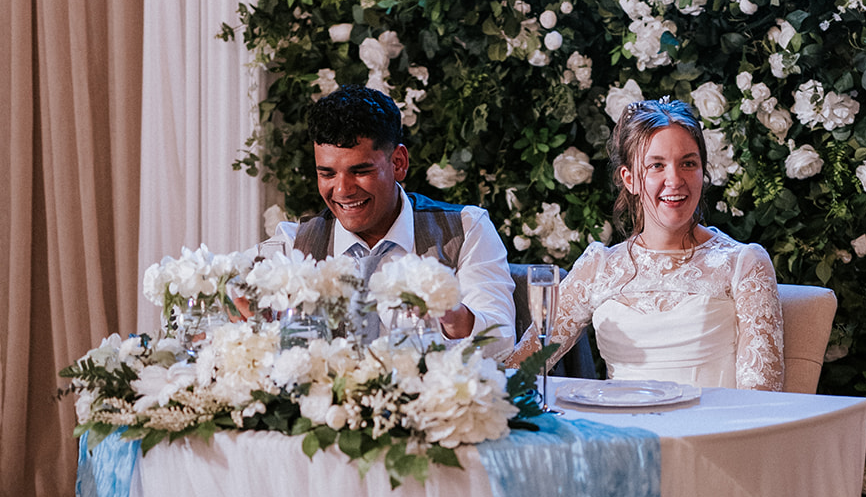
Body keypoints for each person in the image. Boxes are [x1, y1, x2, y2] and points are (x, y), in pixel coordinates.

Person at [513, 99, 784, 389]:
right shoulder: (599, 268)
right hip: (620, 419)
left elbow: (760, 398)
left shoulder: (743, 264)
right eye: (657, 165)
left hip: (714, 419)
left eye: (688, 163)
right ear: (629, 179)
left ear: (702, 172)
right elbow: (517, 371)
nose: (674, 179)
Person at [271, 85, 515, 352]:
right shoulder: (292, 244)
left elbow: (501, 342)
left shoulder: (467, 229)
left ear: (398, 162)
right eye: (327, 174)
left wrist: (450, 314)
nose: (342, 190)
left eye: (360, 171)